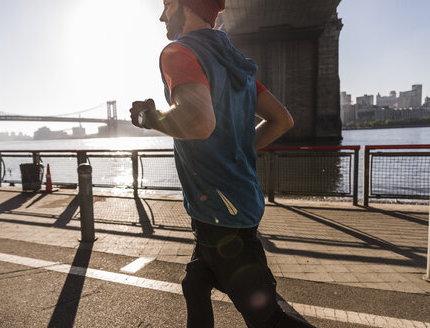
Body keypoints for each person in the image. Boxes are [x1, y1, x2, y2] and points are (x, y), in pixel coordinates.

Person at [130, 1, 314, 327]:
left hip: (222, 215)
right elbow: (282, 120)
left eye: (167, 5)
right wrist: (239, 149)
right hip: (232, 207)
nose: (162, 16)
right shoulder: (236, 64)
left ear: (185, 6)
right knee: (194, 285)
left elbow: (199, 122)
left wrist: (151, 118)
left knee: (268, 319)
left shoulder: (177, 53)